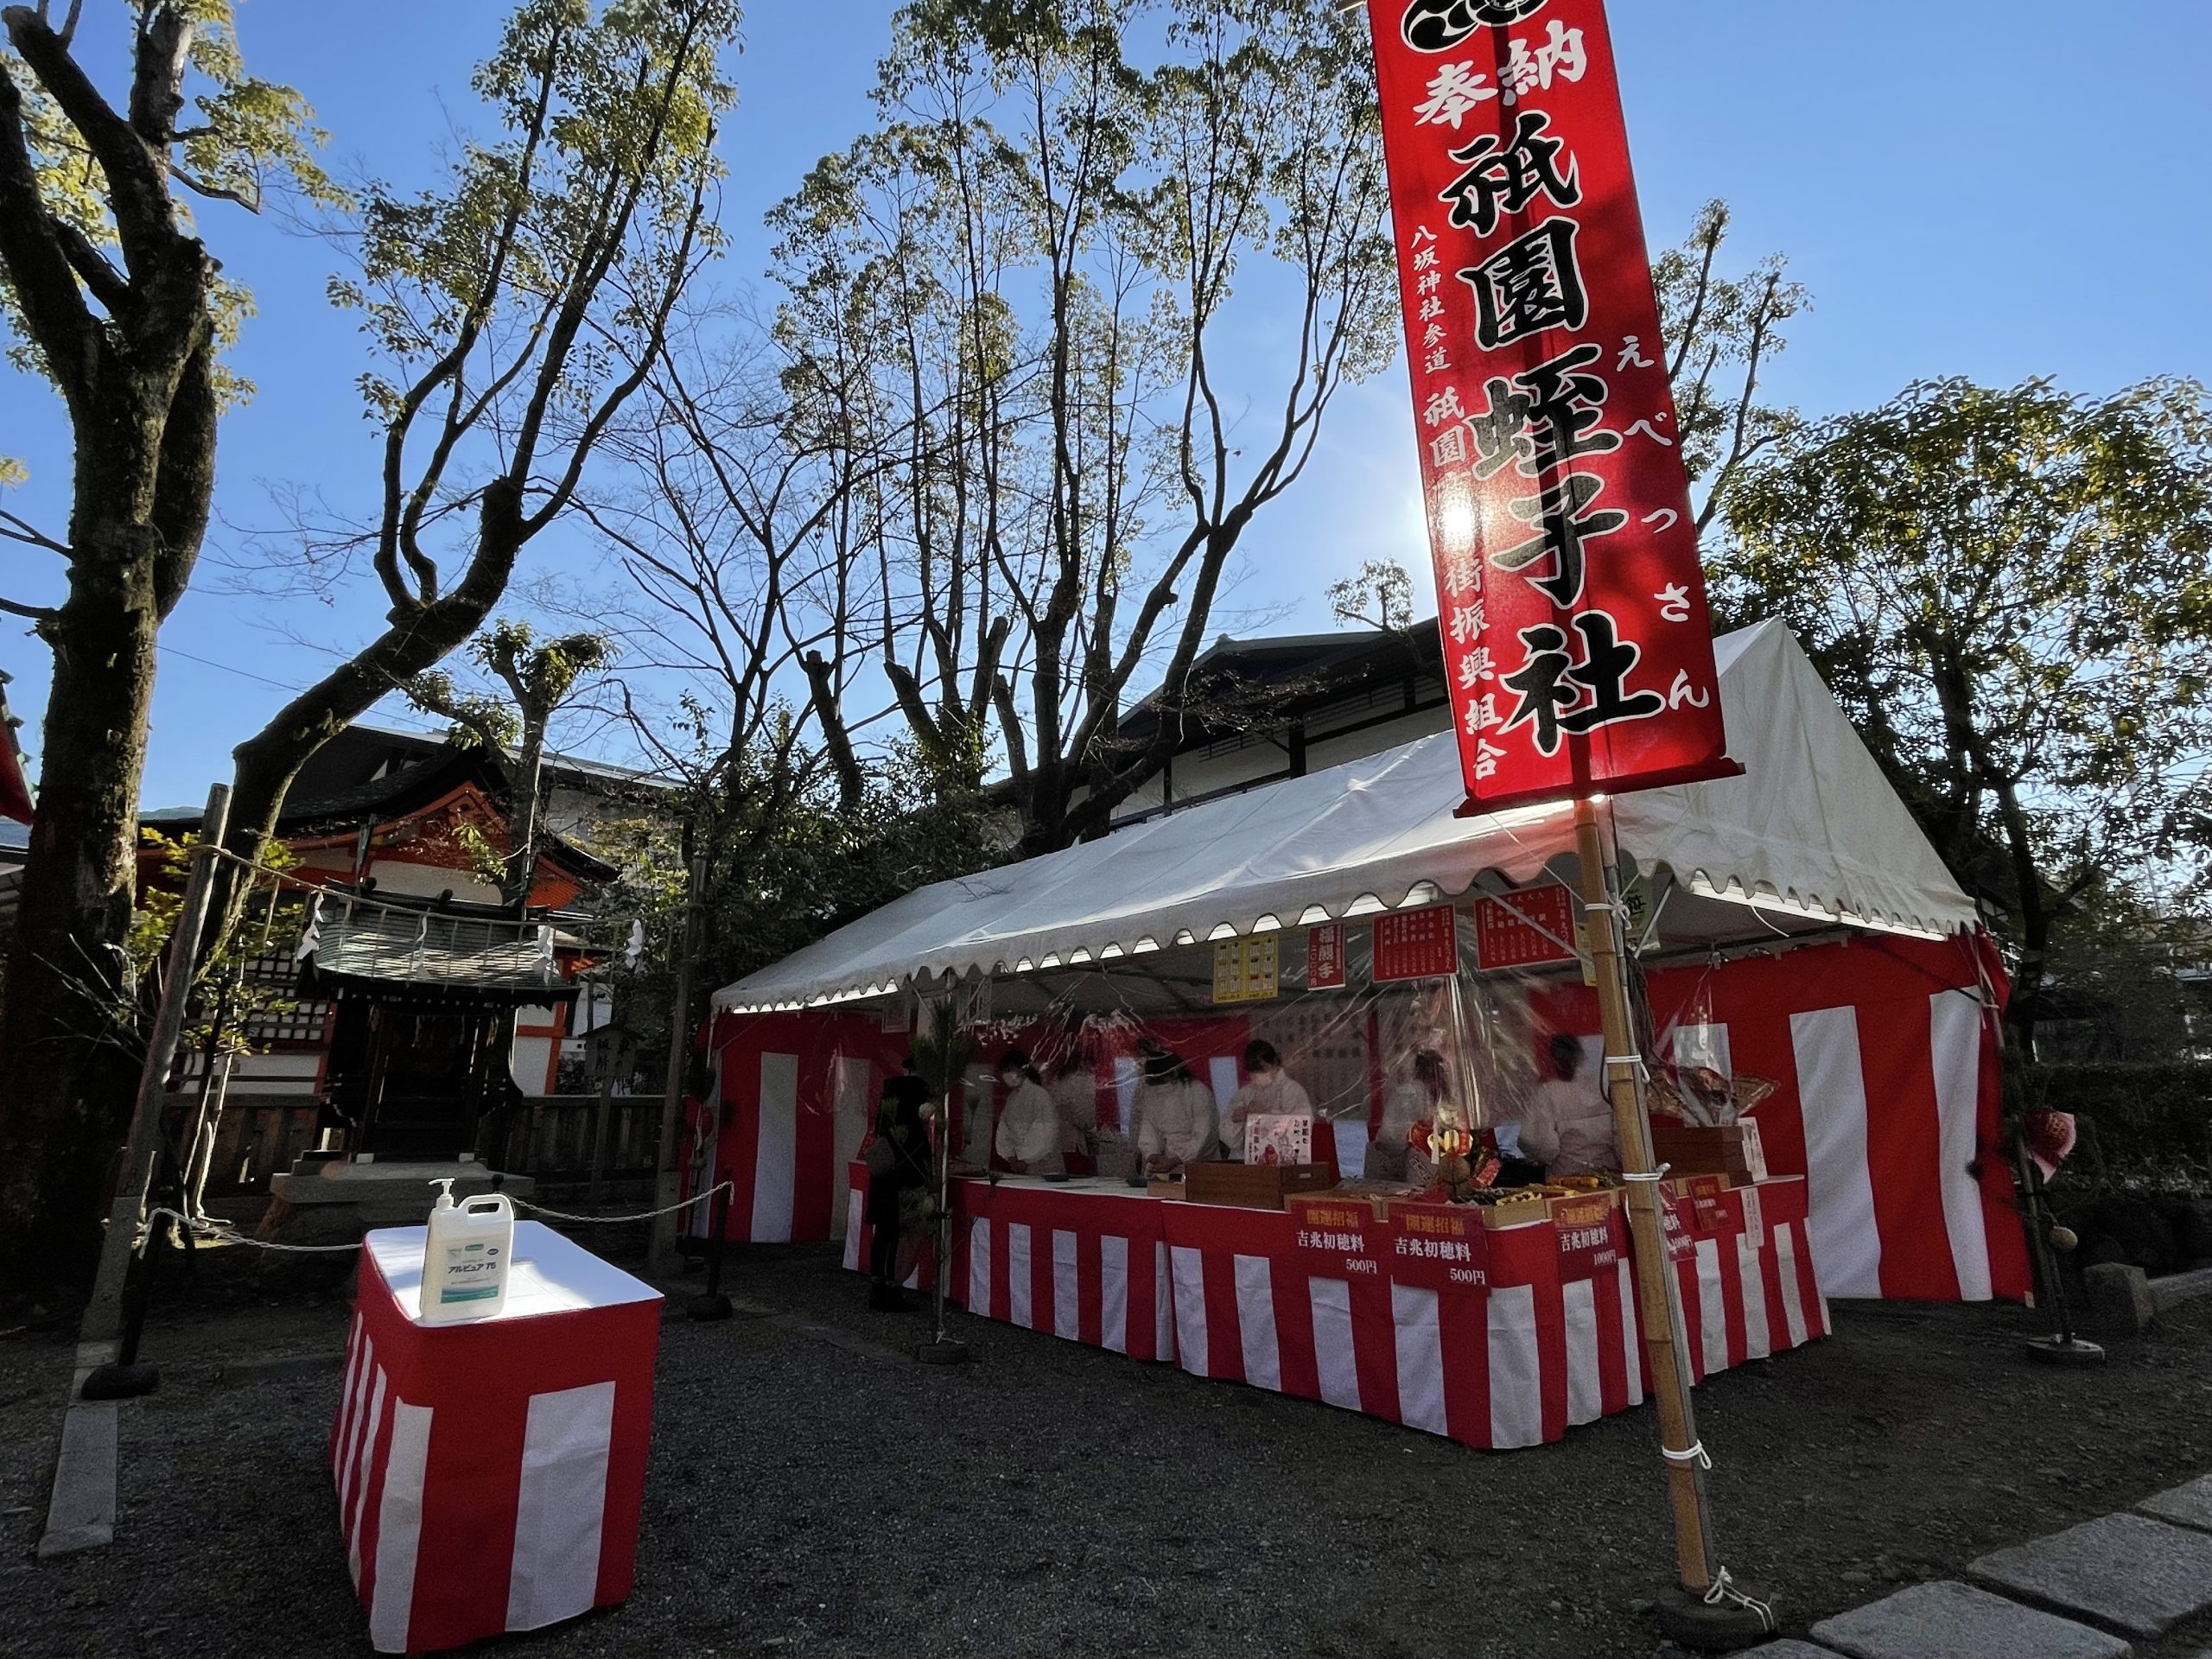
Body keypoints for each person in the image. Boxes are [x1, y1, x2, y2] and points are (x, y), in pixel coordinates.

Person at [863, 1074, 934, 1311]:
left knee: (882, 1237)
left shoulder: (886, 1116)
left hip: (883, 1185)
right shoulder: (910, 1123)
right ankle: (892, 1291)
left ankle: (877, 1288)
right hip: (902, 1188)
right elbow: (923, 1156)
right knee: (896, 1240)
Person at [1517, 1033, 1620, 1177]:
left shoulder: (1548, 1092)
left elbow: (1538, 1143)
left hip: (1565, 1179)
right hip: (1610, 1174)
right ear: (1581, 1055)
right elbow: (1622, 1142)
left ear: (1553, 1059)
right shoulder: (1603, 1088)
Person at [1219, 1039, 1315, 1162]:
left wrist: (1267, 1116)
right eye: (1254, 1073)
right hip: (1246, 1160)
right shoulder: (1245, 1093)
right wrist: (1235, 1119)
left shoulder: (1292, 1090)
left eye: (1263, 1070)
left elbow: (1302, 1128)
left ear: (1274, 1063)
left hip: (1283, 1161)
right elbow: (1227, 1137)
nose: (1258, 1076)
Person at [1135, 1044, 1218, 1174]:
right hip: (1166, 1162)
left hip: (1201, 1163)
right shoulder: (1151, 1093)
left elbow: (1204, 1135)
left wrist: (1176, 1160)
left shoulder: (1198, 1092)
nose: (1160, 1087)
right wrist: (1152, 1154)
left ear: (1174, 1073)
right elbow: (1148, 1128)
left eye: (1162, 1081)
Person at [1368, 1048, 1449, 1181]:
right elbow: (1395, 1134)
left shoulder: (1428, 1093)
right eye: (1439, 1071)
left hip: (1408, 1154)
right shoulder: (1410, 1093)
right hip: (1398, 1157)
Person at [993, 1048, 1065, 1177]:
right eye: (1004, 1071)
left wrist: (1025, 1159)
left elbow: (1045, 1132)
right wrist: (1011, 1156)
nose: (1006, 1075)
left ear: (1022, 1069)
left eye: (1010, 1070)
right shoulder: (1012, 1098)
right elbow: (1004, 1129)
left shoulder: (1040, 1095)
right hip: (1020, 1164)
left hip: (1043, 1166)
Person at [1047, 1052, 1099, 1173]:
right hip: (1075, 1143)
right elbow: (1085, 1116)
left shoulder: (1057, 1077)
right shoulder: (1084, 1079)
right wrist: (1092, 1132)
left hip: (1056, 1140)